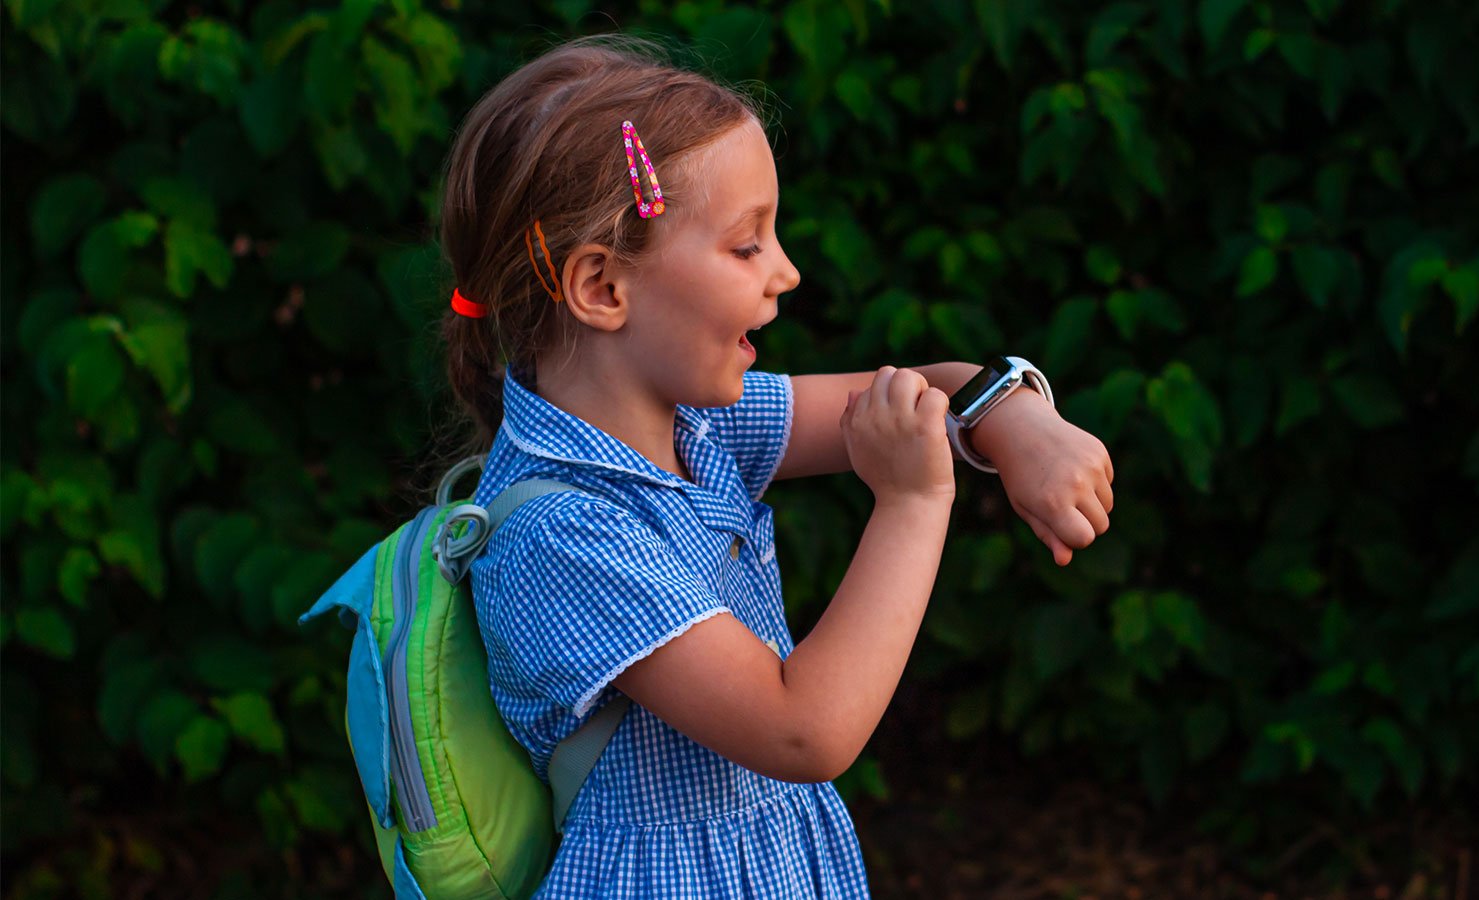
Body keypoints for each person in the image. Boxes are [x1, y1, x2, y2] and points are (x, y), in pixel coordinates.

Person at [437, 35, 1115, 898]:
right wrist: (910, 503)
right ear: (603, 288)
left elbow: (913, 398)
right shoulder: (565, 533)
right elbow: (806, 731)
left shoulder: (695, 420)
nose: (785, 273)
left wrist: (1019, 417)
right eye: (746, 245)